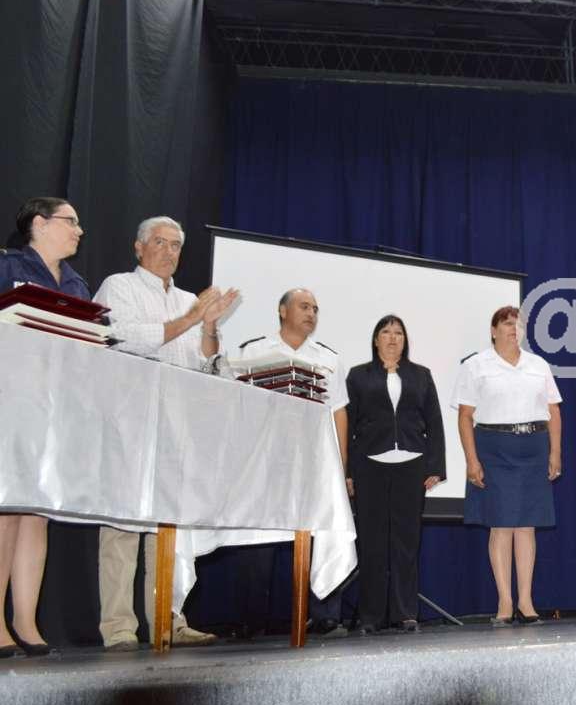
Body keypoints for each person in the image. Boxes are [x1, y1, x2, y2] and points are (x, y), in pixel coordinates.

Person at [92, 216, 238, 650]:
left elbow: (209, 365)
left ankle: (167, 619)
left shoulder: (190, 299)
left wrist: (208, 326)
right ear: (139, 248)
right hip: (129, 420)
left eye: (176, 245)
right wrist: (192, 318)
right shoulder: (119, 286)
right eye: (160, 242)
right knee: (122, 526)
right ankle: (118, 627)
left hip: (176, 425)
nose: (169, 251)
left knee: (168, 531)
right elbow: (125, 338)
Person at [223, 288, 350, 637]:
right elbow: (231, 401)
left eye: (315, 309)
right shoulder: (253, 351)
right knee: (258, 539)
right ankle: (251, 621)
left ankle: (324, 616)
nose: (311, 313)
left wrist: (340, 466)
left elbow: (338, 413)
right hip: (264, 462)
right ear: (282, 310)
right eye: (304, 306)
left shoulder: (328, 359)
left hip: (312, 463)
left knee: (320, 535)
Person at [0, 197, 89, 657]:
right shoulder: (8, 266)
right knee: (6, 507)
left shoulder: (77, 283)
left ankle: (25, 620)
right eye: (71, 222)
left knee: (36, 511)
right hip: (10, 397)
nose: (79, 231)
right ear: (39, 223)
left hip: (54, 407)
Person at [451, 306, 561, 626]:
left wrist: (555, 452)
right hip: (494, 449)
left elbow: (554, 412)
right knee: (500, 525)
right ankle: (504, 601)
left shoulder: (538, 364)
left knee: (527, 526)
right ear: (493, 331)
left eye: (519, 324)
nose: (515, 329)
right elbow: (465, 417)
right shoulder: (475, 365)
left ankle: (526, 601)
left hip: (534, 447)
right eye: (508, 323)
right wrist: (472, 460)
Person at [345, 315, 444, 634]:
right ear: (376, 340)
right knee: (372, 542)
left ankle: (405, 612)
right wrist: (347, 471)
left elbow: (435, 422)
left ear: (405, 340)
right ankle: (371, 615)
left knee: (406, 542)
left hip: (412, 465)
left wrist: (436, 466)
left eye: (398, 333)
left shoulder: (421, 375)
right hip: (369, 465)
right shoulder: (358, 376)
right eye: (386, 332)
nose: (392, 337)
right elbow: (348, 426)